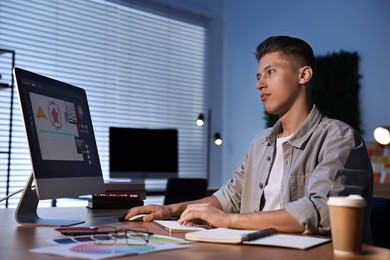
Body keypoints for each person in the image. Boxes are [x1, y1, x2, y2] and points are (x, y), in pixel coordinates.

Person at [123, 36, 374, 243]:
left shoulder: (339, 138)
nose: (259, 84)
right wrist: (169, 210)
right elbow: (229, 197)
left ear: (303, 75)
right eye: (258, 76)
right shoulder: (261, 141)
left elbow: (321, 212)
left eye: (270, 72)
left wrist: (228, 220)